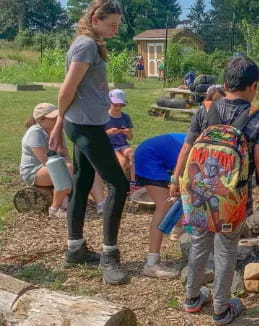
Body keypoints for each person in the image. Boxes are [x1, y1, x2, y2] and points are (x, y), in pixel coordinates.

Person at [170, 56, 259, 325]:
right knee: (227, 249)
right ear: (253, 86)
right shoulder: (257, 117)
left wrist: (176, 179)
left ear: (225, 83)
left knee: (199, 241)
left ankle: (192, 298)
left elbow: (187, 147)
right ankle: (221, 308)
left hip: (200, 193)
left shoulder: (205, 110)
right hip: (233, 198)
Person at [48, 0, 130, 285]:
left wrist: (60, 125)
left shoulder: (87, 43)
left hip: (82, 123)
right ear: (96, 18)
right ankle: (110, 255)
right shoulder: (86, 46)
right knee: (119, 185)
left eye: (118, 26)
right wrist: (61, 124)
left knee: (82, 180)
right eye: (111, 25)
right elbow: (66, 90)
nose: (115, 30)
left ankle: (75, 249)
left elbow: (72, 94)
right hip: (85, 127)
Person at [20, 103, 105, 218]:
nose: (58, 119)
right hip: (34, 172)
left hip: (56, 168)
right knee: (66, 169)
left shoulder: (57, 131)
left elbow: (66, 156)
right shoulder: (35, 132)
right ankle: (55, 208)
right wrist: (70, 169)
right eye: (54, 117)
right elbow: (45, 161)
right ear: (41, 120)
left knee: (89, 169)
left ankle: (101, 205)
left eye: (59, 116)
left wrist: (73, 169)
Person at [134, 133, 186, 278]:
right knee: (164, 206)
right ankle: (152, 263)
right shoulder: (196, 150)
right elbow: (180, 171)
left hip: (162, 156)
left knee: (184, 193)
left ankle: (178, 229)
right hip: (148, 157)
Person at [104, 89, 137, 189]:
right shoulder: (104, 117)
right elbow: (98, 136)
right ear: (109, 102)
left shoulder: (125, 117)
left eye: (121, 105)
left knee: (132, 155)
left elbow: (131, 138)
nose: (118, 108)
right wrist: (108, 132)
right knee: (122, 162)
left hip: (123, 145)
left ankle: (133, 181)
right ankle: (119, 184)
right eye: (115, 105)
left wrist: (128, 133)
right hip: (109, 147)